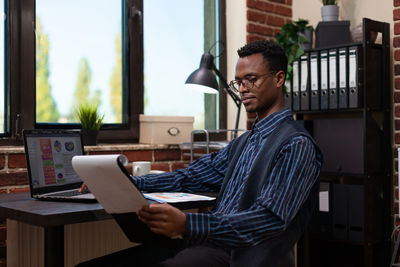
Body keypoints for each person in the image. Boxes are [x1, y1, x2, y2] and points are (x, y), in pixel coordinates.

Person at [76, 40, 323, 267]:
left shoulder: (296, 145)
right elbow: (188, 178)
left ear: (279, 79)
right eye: (239, 82)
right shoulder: (245, 142)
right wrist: (122, 183)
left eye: (252, 79)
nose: (243, 89)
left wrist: (188, 224)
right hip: (206, 243)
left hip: (240, 256)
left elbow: (268, 219)